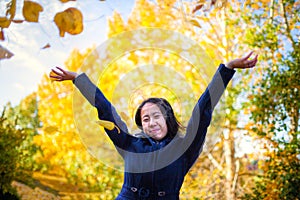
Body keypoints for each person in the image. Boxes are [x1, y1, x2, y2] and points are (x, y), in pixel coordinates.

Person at [50, 51, 258, 199]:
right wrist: (79, 79)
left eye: (156, 116)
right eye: (146, 119)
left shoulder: (184, 148)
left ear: (167, 118)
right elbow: (107, 111)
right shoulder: (130, 144)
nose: (151, 123)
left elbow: (201, 113)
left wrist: (227, 69)